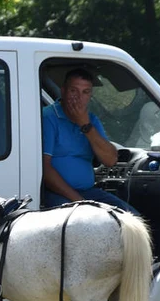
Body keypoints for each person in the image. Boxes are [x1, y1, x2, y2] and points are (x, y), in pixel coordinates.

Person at [42, 68, 139, 215]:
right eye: (74, 91)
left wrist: (85, 125)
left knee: (132, 220)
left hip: (88, 192)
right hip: (56, 193)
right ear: (63, 91)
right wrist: (79, 201)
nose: (79, 98)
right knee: (83, 224)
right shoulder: (48, 117)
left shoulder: (91, 120)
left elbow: (110, 160)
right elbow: (45, 169)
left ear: (90, 96)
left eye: (85, 92)